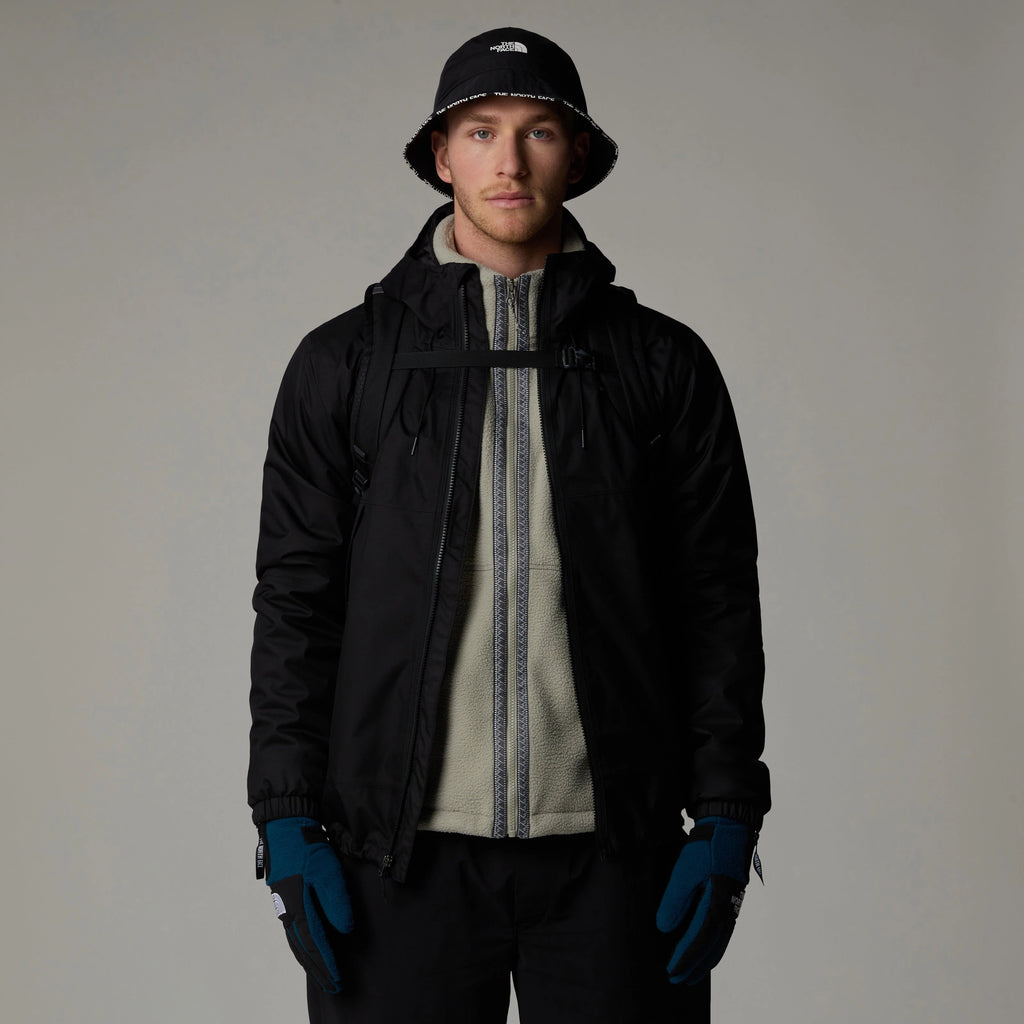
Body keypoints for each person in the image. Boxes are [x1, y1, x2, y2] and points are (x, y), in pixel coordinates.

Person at [248, 26, 770, 1024]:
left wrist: (725, 812)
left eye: (540, 131)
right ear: (441, 155)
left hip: (616, 857)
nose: (510, 160)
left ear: (577, 154)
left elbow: (715, 599)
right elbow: (296, 604)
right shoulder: (342, 364)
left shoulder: (662, 363)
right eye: (481, 130)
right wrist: (285, 815)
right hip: (394, 861)